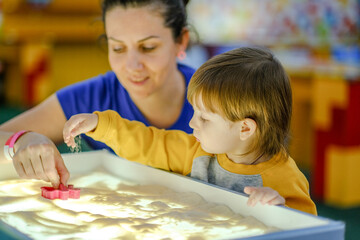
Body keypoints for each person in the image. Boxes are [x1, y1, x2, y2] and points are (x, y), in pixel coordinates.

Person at [63, 47, 317, 215]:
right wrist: (101, 125)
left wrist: (281, 208)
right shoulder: (194, 151)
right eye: (194, 112)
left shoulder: (285, 179)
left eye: (204, 118)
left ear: (245, 128)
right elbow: (148, 144)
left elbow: (311, 230)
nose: (192, 123)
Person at [0, 0, 194, 188]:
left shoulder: (217, 98)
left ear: (181, 41)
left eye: (148, 47)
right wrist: (19, 141)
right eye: (118, 48)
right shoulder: (91, 98)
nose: (132, 66)